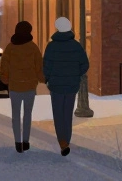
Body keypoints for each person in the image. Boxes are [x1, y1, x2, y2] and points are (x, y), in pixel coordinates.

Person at [42, 16, 89, 156]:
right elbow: (85, 64)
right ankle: (66, 140)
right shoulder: (76, 46)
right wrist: (76, 75)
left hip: (56, 85)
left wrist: (49, 78)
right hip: (71, 85)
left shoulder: (51, 46)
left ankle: (62, 141)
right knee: (67, 113)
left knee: (58, 113)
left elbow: (46, 66)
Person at [0, 20, 44, 153]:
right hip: (30, 85)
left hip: (14, 86)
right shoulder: (33, 48)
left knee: (15, 114)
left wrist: (5, 80)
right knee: (28, 114)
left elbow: (4, 66)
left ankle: (17, 142)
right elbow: (39, 67)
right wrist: (43, 79)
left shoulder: (10, 48)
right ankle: (26, 140)